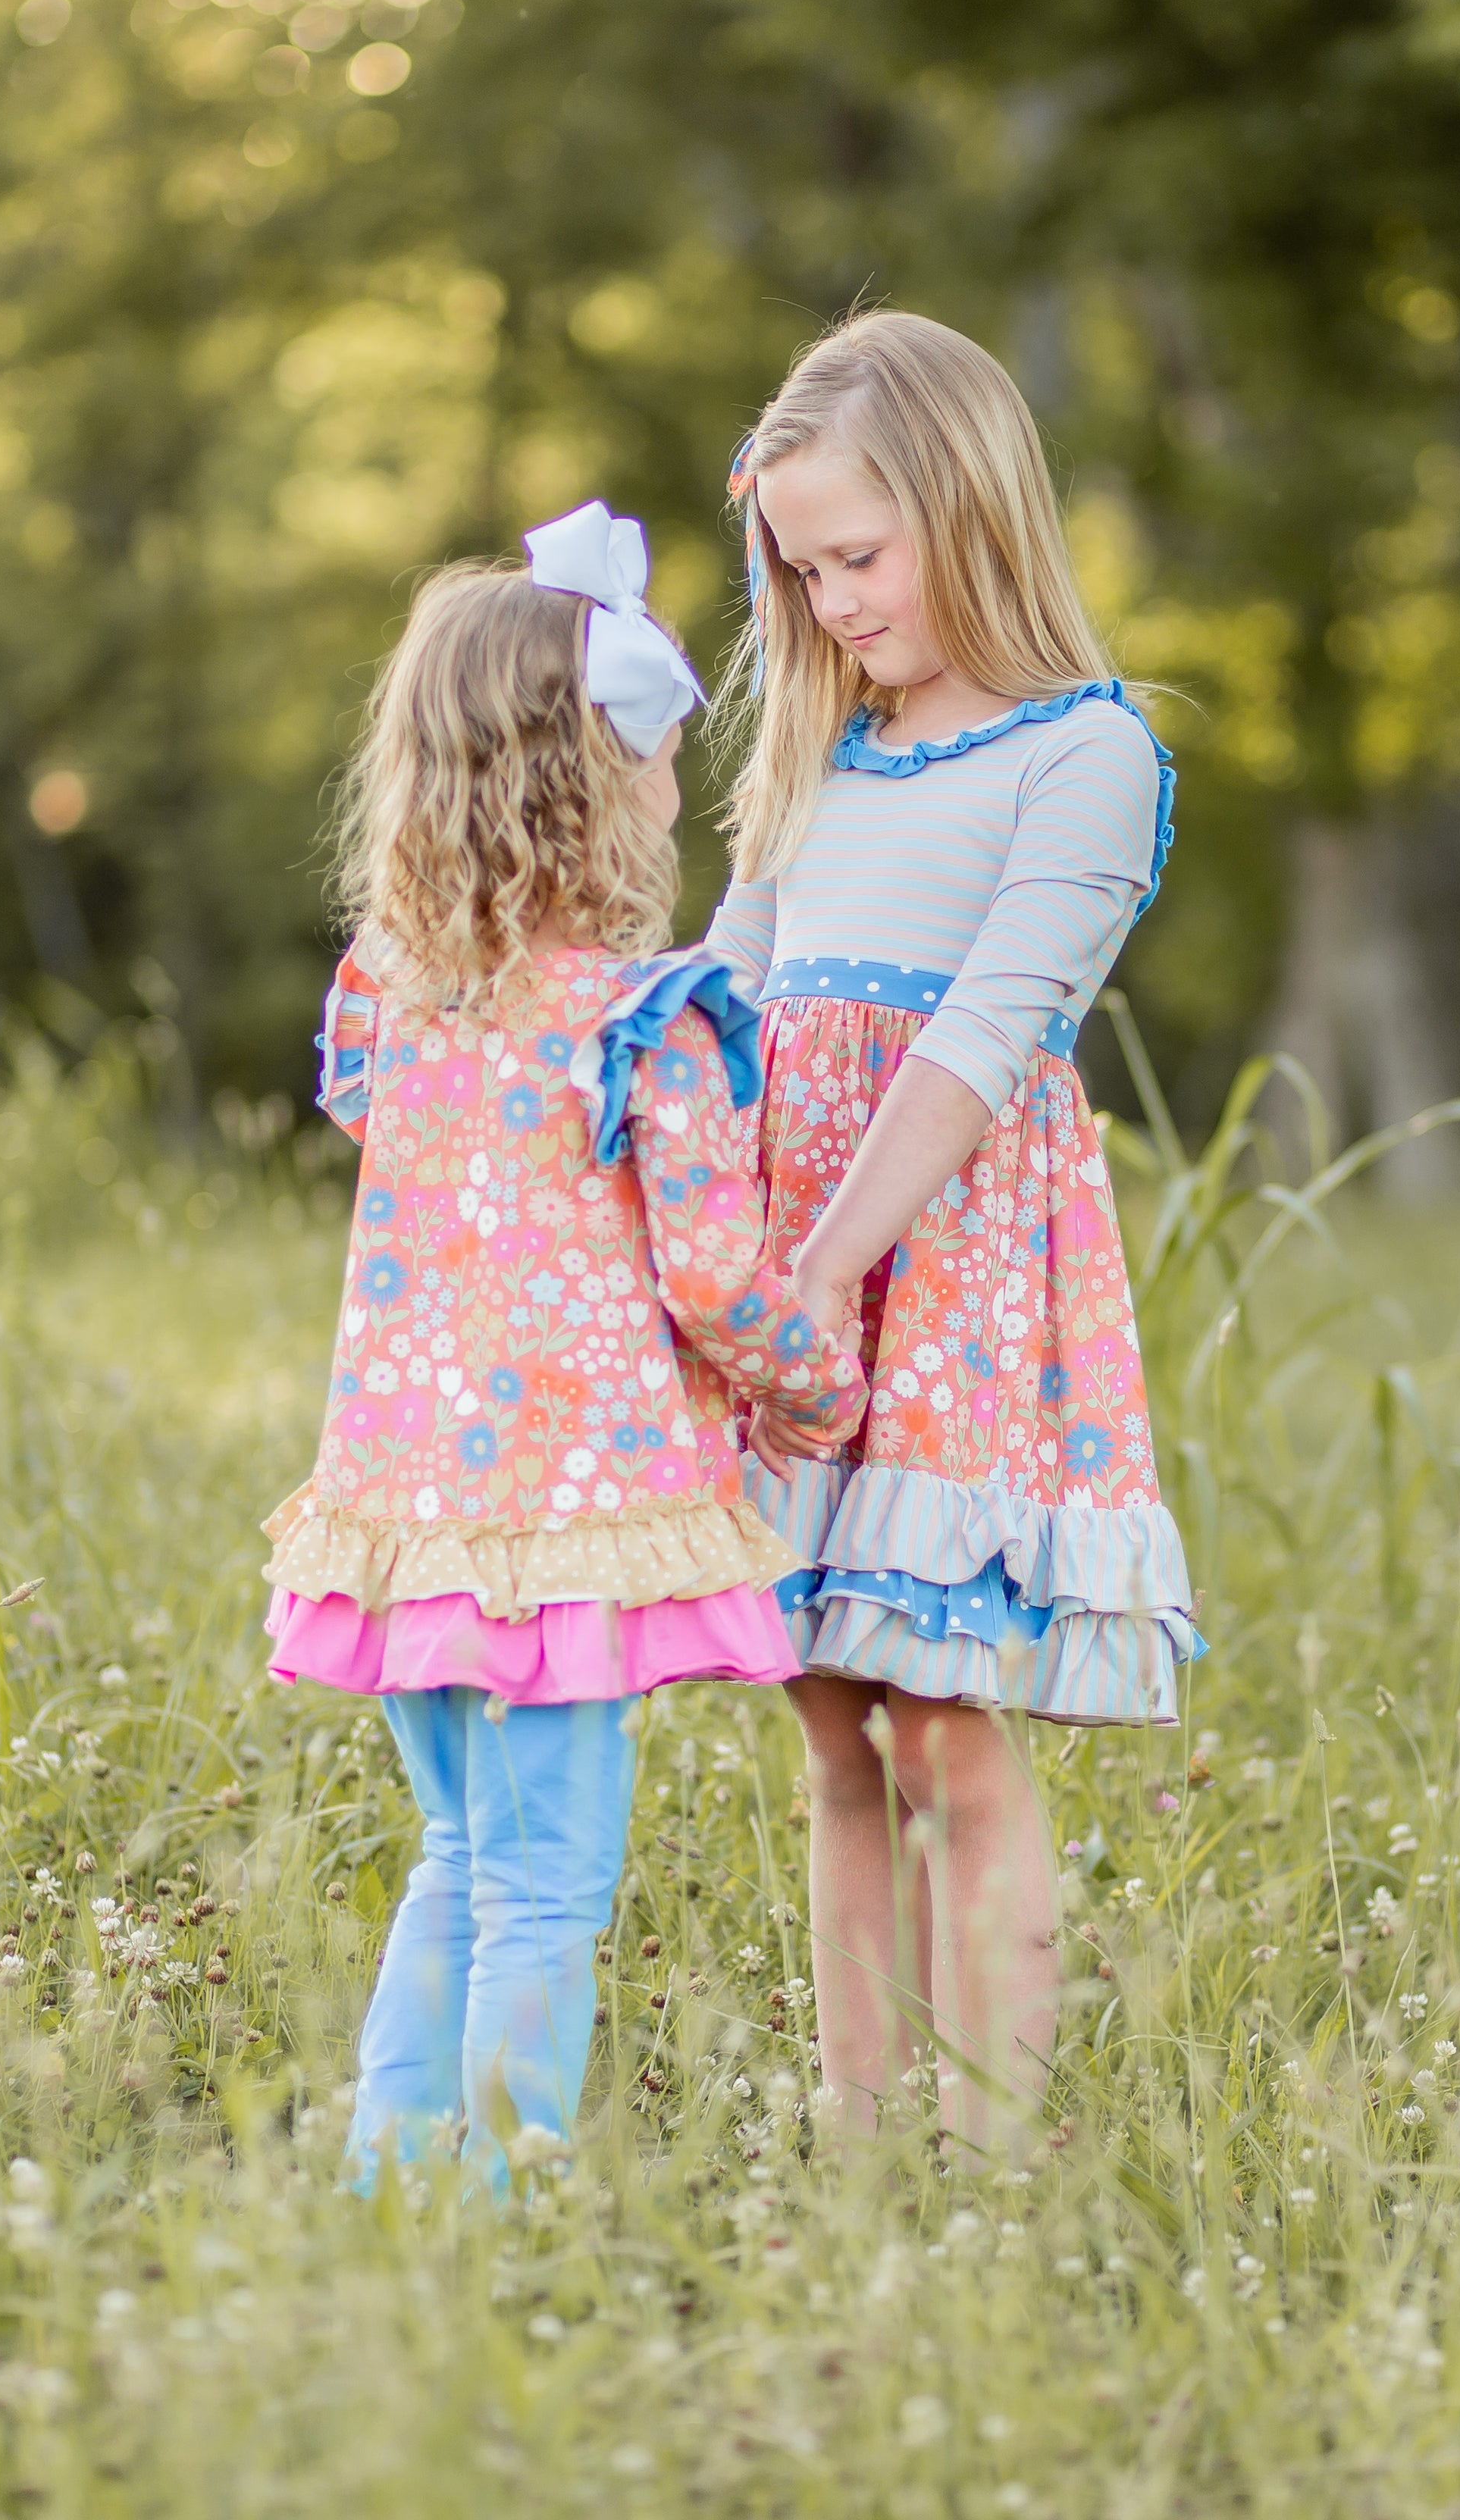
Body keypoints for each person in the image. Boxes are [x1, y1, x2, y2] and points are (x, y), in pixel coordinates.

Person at [263, 504, 864, 2181]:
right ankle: (505, 2209)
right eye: (664, 749)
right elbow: (717, 1278)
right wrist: (816, 1388)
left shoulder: (390, 995)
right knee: (545, 1888)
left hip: (408, 1525)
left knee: (461, 1857)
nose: (681, 781)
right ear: (596, 780)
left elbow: (384, 1132)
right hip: (564, 1537)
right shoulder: (646, 1021)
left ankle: (397, 2188)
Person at [708, 312, 1199, 2144]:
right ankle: (863, 2130)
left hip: (948, 1284)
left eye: (859, 555)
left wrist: (823, 1274)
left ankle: (988, 2143)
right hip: (788, 1277)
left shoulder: (1086, 752)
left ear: (970, 512)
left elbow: (990, 1043)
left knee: (944, 1731)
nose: (830, 599)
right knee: (832, 1730)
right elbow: (721, 1012)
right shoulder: (810, 762)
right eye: (800, 567)